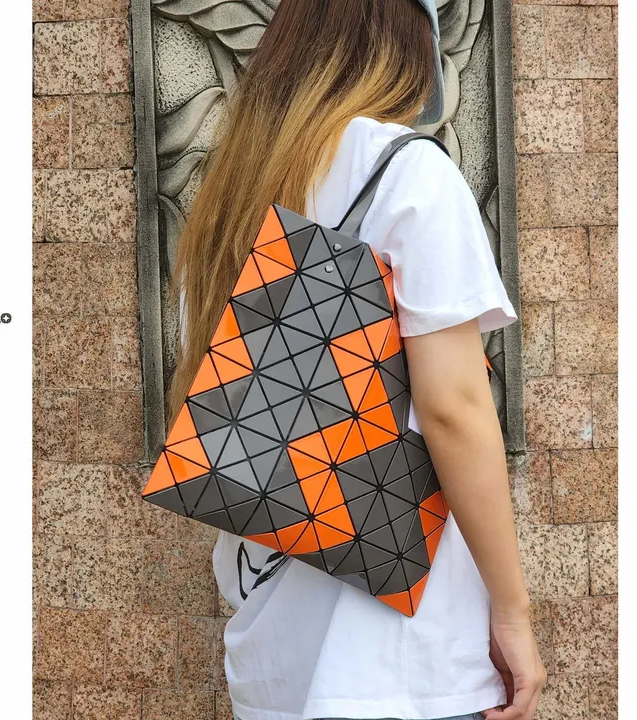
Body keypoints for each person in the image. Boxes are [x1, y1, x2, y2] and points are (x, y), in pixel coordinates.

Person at [167, 1, 547, 719]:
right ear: (404, 50)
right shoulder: (410, 174)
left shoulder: (230, 193)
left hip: (271, 653)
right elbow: (452, 408)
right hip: (403, 659)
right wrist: (511, 611)